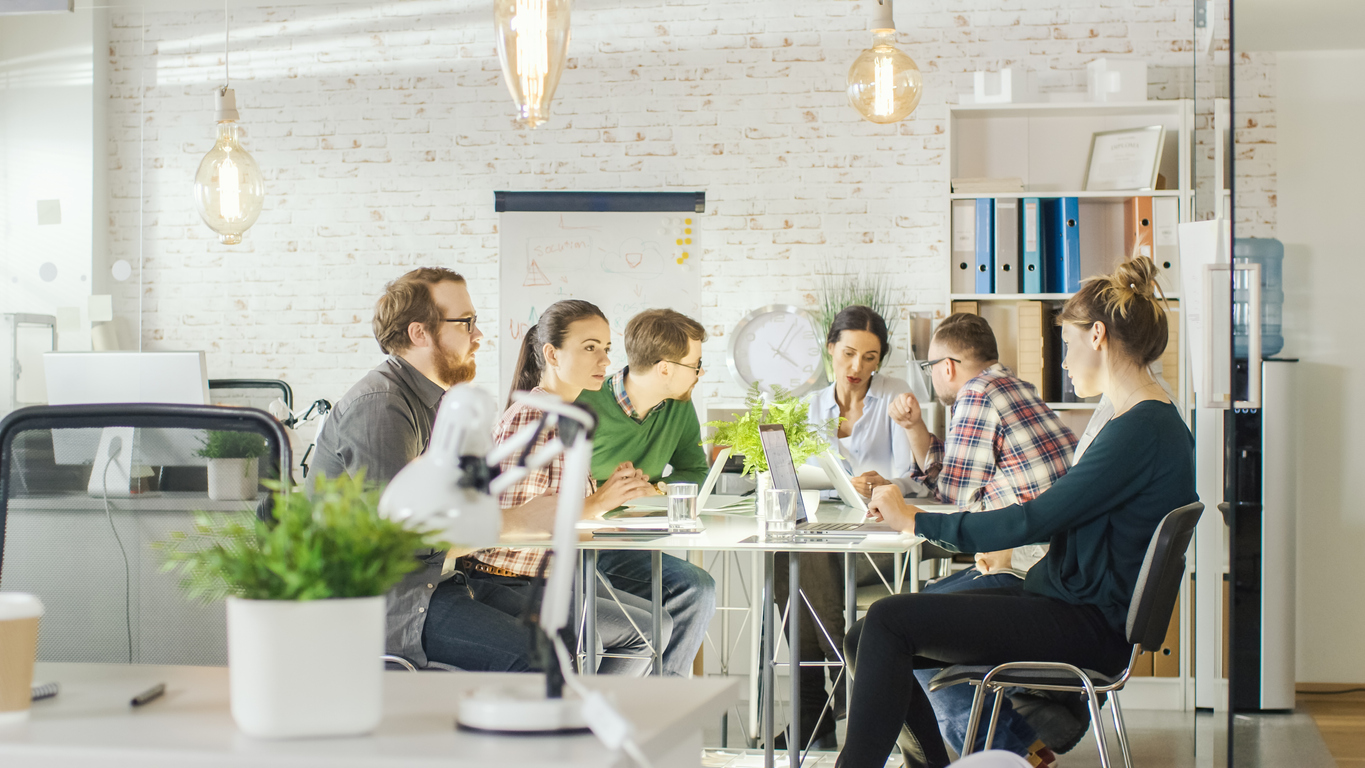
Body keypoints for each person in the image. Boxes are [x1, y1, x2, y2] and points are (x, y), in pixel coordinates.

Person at [837, 257, 1197, 768]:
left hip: (1085, 622)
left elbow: (1034, 518)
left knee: (889, 620)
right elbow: (1054, 515)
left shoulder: (1140, 429)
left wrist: (915, 521)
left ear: (1097, 337)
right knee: (868, 632)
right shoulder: (1143, 420)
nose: (1065, 362)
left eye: (1068, 346)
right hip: (1072, 603)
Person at [848, 312, 1080, 761]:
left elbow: (954, 492)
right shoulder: (1016, 388)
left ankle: (1009, 748)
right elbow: (963, 481)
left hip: (1031, 572)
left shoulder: (978, 395)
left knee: (898, 631)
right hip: (1056, 565)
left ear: (948, 366)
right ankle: (1019, 741)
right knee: (910, 618)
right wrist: (916, 430)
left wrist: (899, 507)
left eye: (930, 367)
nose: (932, 377)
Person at [313, 267, 549, 672]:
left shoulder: (436, 401)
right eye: (466, 323)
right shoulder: (380, 406)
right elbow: (409, 537)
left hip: (437, 583)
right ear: (419, 333)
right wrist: (515, 522)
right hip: (393, 602)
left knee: (570, 634)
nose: (479, 335)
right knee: (538, 658)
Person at [468, 299, 670, 675]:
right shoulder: (533, 415)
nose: (605, 362)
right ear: (552, 354)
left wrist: (614, 495)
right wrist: (596, 503)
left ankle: (599, 722)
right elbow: (510, 528)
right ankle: (592, 727)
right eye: (590, 347)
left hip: (546, 576)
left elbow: (563, 518)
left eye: (607, 349)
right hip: (506, 582)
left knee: (657, 621)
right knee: (647, 631)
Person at [775, 305, 921, 749]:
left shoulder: (895, 396)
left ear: (881, 361)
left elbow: (915, 477)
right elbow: (795, 480)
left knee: (799, 558)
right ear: (831, 349)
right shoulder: (807, 407)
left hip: (876, 543)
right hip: (827, 542)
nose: (858, 367)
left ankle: (814, 713)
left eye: (871, 357)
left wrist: (885, 483)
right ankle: (836, 693)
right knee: (789, 554)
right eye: (849, 353)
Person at [575, 308, 717, 677]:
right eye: (695, 364)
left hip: (637, 543)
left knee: (696, 588)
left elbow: (695, 469)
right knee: (676, 600)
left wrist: (660, 491)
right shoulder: (583, 402)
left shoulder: (679, 408)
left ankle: (659, 707)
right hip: (585, 545)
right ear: (665, 367)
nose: (700, 374)